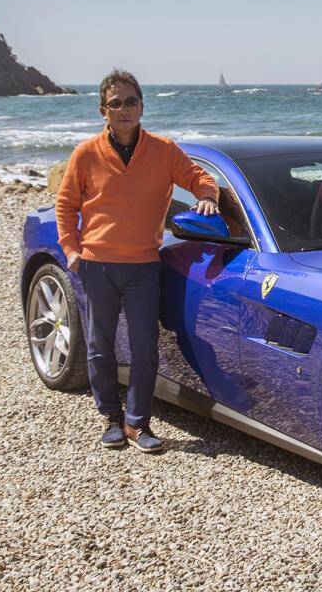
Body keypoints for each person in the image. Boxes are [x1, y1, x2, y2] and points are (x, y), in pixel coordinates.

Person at [56, 69, 219, 452]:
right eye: (115, 103)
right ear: (103, 110)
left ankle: (137, 423)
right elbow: (66, 205)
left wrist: (207, 196)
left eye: (131, 101)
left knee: (145, 347)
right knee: (100, 346)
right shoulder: (85, 153)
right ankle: (110, 418)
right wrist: (72, 251)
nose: (124, 109)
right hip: (97, 264)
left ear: (142, 107)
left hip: (144, 266)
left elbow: (199, 178)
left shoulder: (164, 150)